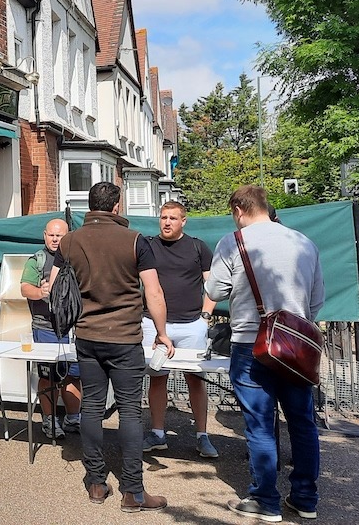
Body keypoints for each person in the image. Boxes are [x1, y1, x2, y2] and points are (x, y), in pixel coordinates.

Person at [48, 182, 173, 513]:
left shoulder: (70, 240)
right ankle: (133, 492)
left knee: (91, 407)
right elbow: (153, 292)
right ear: (116, 206)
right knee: (130, 410)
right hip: (125, 338)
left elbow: (54, 287)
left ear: (91, 206)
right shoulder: (136, 240)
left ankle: (96, 483)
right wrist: (162, 333)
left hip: (87, 337)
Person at [206, 185, 324, 522]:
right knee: (302, 422)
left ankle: (265, 500)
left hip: (250, 343)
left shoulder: (234, 241)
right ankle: (305, 498)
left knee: (259, 424)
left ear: (238, 210)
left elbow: (215, 290)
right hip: (296, 346)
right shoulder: (304, 242)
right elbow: (316, 301)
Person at [141, 201, 218, 459]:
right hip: (154, 326)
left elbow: (213, 286)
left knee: (195, 380)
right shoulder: (148, 246)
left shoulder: (198, 247)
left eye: (173, 218)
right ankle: (157, 434)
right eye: (163, 217)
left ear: (183, 221)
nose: (167, 222)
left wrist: (205, 318)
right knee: (157, 378)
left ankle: (202, 436)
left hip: (191, 326)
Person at [20, 217, 81, 439]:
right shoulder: (37, 260)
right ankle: (50, 420)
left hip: (74, 330)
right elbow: (25, 288)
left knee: (74, 375)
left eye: (60, 235)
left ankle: (73, 419)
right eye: (51, 235)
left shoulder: (77, 257)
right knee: (49, 376)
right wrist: (41, 292)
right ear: (45, 236)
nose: (55, 239)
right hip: (45, 328)